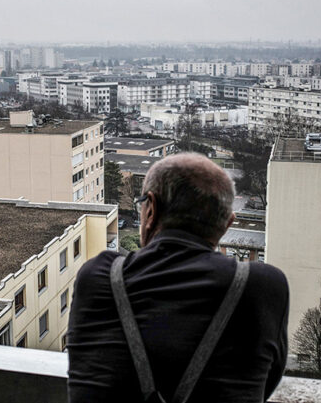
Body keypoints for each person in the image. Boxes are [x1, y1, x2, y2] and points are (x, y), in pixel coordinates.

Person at [67, 153, 289, 403]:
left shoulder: (99, 277)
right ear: (228, 224)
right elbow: (264, 383)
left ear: (150, 209)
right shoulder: (260, 287)